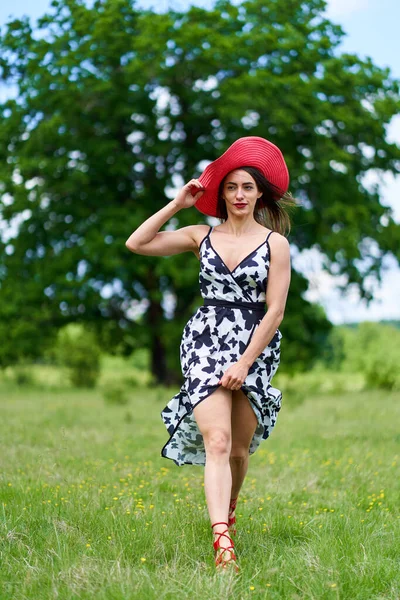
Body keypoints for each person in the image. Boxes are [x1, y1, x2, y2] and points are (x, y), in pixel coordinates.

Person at [125, 136, 294, 573]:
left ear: (260, 195)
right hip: (205, 341)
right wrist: (178, 203)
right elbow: (137, 244)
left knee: (239, 449)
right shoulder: (201, 235)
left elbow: (275, 310)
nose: (239, 195)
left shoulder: (276, 244)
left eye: (248, 188)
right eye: (232, 187)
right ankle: (223, 546)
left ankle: (230, 507)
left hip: (255, 344)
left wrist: (244, 364)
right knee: (215, 442)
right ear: (221, 193)